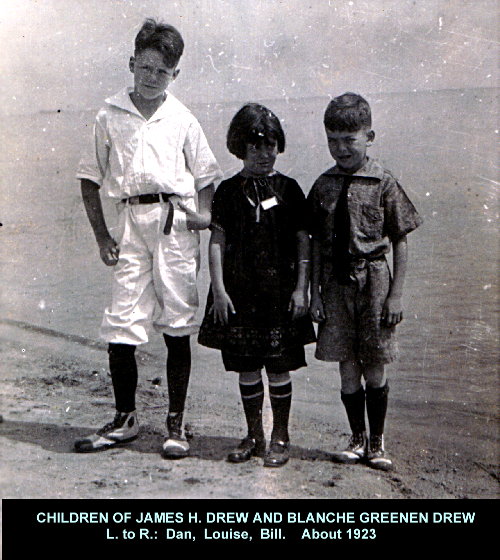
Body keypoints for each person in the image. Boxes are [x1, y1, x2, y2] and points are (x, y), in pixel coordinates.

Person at [74, 18, 222, 458]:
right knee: (122, 321)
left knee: (177, 322)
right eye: (146, 67)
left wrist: (204, 216)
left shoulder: (183, 118)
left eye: (162, 71)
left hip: (174, 225)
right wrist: (102, 236)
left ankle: (176, 423)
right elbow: (89, 179)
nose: (152, 77)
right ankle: (125, 418)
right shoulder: (109, 115)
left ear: (175, 74)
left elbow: (207, 176)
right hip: (129, 224)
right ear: (132, 63)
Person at [307, 92, 422, 471]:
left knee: (375, 364)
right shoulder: (323, 185)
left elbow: (401, 239)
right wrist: (314, 295)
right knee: (346, 365)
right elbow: (315, 244)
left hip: (374, 282)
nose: (341, 148)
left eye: (349, 139)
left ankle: (377, 442)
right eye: (333, 140)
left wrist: (396, 296)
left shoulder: (383, 182)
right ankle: (356, 438)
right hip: (335, 285)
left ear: (369, 137)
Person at [198, 104, 316, 467]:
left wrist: (302, 289)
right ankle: (254, 434)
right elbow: (216, 241)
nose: (264, 154)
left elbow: (303, 241)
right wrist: (219, 290)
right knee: (247, 366)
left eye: (270, 145)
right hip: (238, 295)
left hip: (280, 295)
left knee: (279, 366)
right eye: (255, 146)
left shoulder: (289, 189)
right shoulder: (227, 191)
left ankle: (280, 436)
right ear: (240, 147)